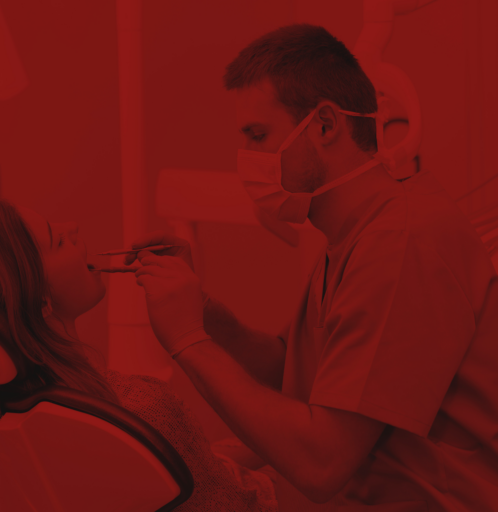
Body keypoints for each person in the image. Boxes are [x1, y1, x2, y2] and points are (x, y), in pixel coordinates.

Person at [127, 24, 498, 511]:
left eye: (258, 136)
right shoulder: (353, 236)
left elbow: (322, 462)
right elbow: (298, 373)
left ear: (324, 125)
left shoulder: (401, 245)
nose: (247, 159)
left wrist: (189, 342)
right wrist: (203, 311)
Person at [0, 198, 278, 512]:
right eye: (57, 240)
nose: (73, 226)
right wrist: (189, 335)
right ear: (40, 300)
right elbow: (236, 502)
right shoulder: (140, 409)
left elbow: (194, 463)